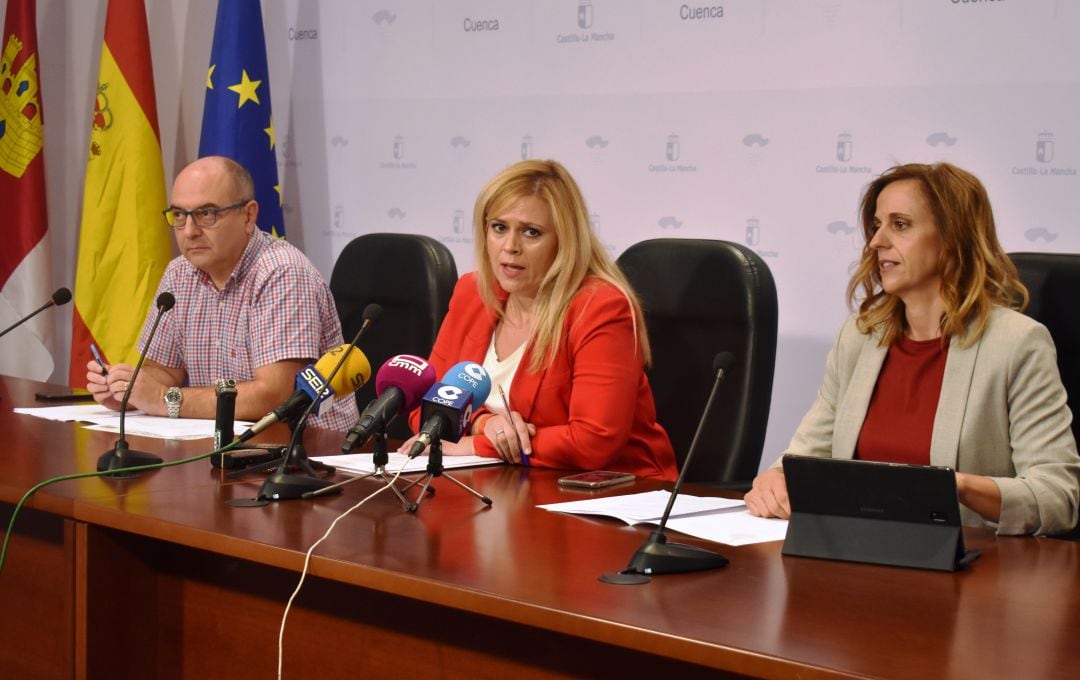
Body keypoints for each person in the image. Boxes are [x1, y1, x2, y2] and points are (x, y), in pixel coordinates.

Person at [745, 162, 1080, 535]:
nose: (876, 242)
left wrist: (956, 487)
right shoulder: (858, 338)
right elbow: (805, 455)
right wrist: (776, 477)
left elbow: (1057, 496)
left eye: (900, 225)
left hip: (968, 572)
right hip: (854, 560)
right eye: (876, 226)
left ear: (954, 238)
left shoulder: (1016, 344)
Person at [404, 159, 677, 480]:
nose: (510, 247)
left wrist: (479, 445)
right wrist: (485, 423)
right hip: (501, 488)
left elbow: (594, 442)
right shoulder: (473, 292)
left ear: (564, 241)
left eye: (531, 232)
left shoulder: (601, 307)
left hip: (608, 494)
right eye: (499, 228)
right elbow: (427, 406)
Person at [85, 156, 357, 431]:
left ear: (248, 216)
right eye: (179, 215)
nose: (189, 231)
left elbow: (275, 395)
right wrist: (126, 390)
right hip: (227, 446)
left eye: (206, 214)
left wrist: (161, 398)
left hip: (311, 452)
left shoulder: (282, 273)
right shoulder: (179, 274)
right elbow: (164, 373)